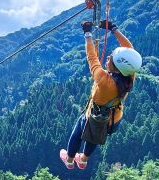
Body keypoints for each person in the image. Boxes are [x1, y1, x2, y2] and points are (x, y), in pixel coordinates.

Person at [60, 18, 142, 170]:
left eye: (112, 58)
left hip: (93, 115)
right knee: (96, 135)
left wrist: (87, 34)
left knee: (78, 133)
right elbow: (129, 49)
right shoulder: (130, 75)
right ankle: (83, 159)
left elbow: (92, 58)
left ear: (117, 66)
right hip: (114, 118)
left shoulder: (104, 80)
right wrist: (114, 29)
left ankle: (70, 160)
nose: (109, 57)